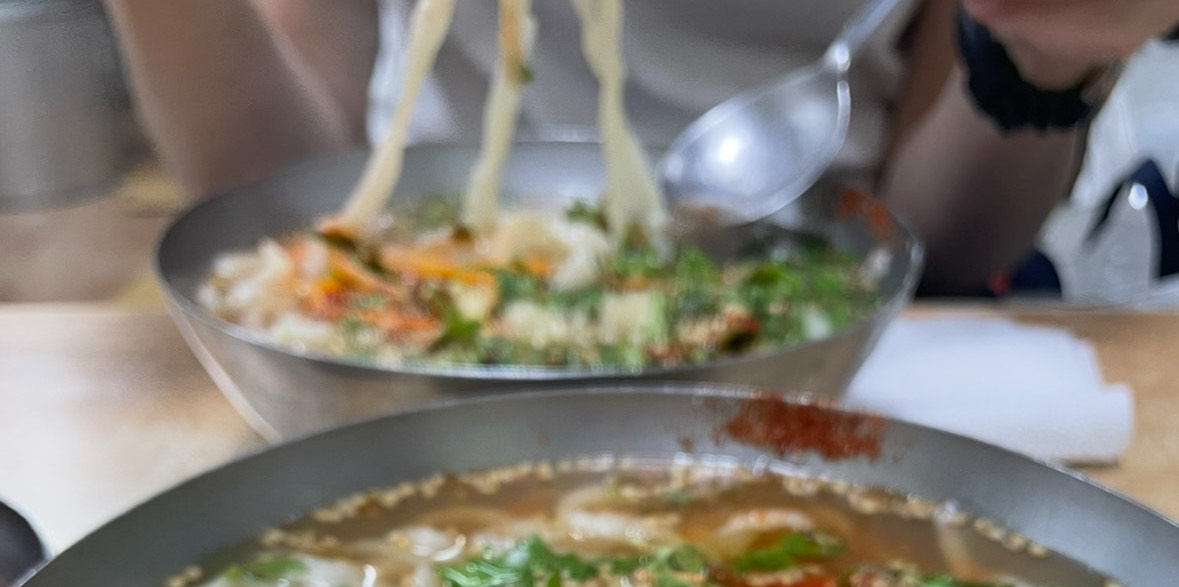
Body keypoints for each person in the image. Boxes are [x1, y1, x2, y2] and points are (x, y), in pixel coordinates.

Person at [101, 0, 1179, 294]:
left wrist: (1039, 60)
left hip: (824, 299)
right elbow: (270, 188)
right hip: (405, 292)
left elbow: (945, 250)